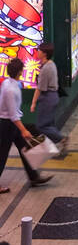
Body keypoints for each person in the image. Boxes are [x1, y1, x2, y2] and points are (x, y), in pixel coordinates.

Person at [0, 57, 53, 192]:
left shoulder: (9, 83)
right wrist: (23, 130)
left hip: (11, 123)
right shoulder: (10, 90)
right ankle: (34, 177)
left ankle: (34, 177)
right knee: (2, 154)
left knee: (25, 148)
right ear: (20, 72)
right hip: (7, 124)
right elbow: (13, 114)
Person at [30, 43, 68, 156]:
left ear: (44, 54)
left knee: (41, 126)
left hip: (47, 98)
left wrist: (33, 103)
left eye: (39, 50)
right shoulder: (51, 64)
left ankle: (61, 139)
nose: (37, 52)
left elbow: (40, 88)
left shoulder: (46, 68)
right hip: (53, 96)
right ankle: (53, 148)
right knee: (49, 124)